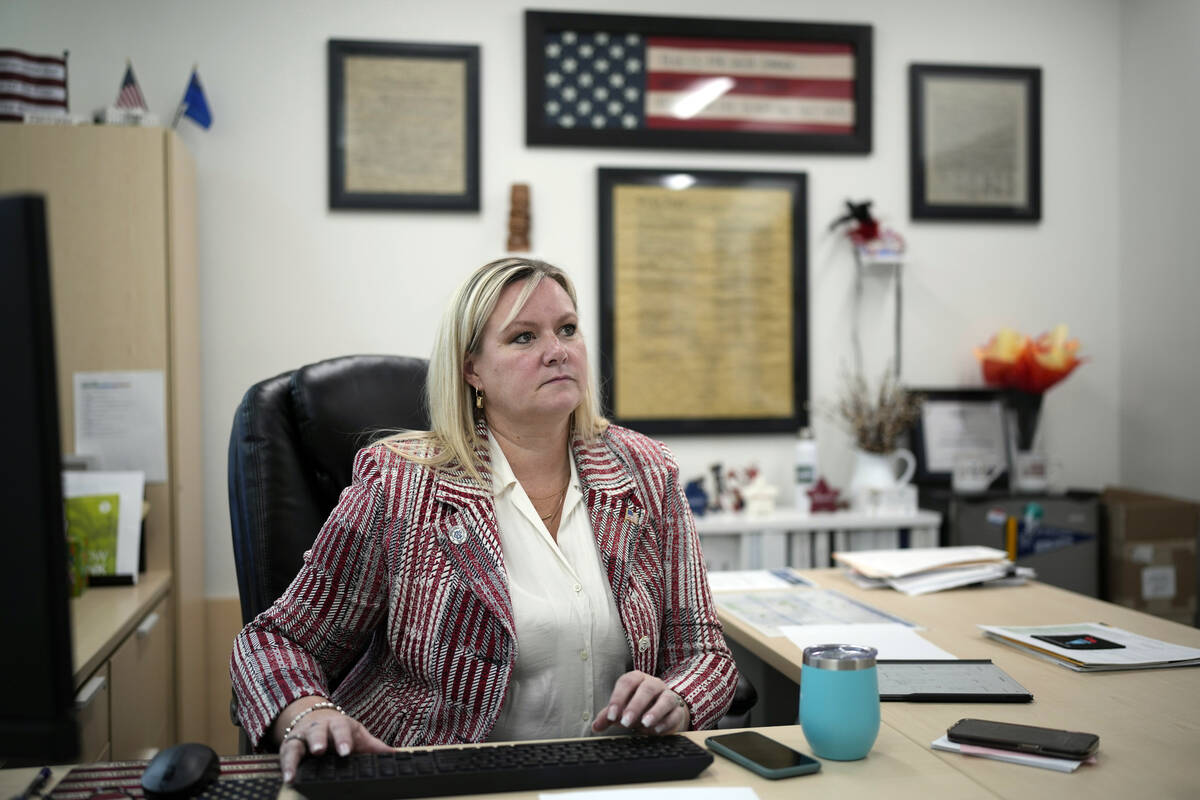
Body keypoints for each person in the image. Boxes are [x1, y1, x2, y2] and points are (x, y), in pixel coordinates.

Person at [230, 257, 738, 782]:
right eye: (523, 337)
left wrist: (679, 697)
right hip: (436, 779)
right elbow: (274, 642)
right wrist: (309, 714)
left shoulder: (645, 472)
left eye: (567, 329)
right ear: (472, 369)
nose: (557, 350)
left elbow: (704, 653)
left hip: (609, 778)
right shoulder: (401, 484)